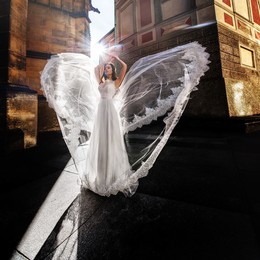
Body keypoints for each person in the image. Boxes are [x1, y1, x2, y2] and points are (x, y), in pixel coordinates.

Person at [40, 41, 210, 197]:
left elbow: (125, 66)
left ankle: (113, 174)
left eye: (108, 68)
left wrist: (115, 59)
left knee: (111, 139)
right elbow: (95, 69)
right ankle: (99, 174)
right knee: (100, 139)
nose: (106, 69)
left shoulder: (116, 81)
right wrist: (104, 60)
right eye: (106, 68)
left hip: (110, 111)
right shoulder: (100, 79)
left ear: (112, 70)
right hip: (101, 110)